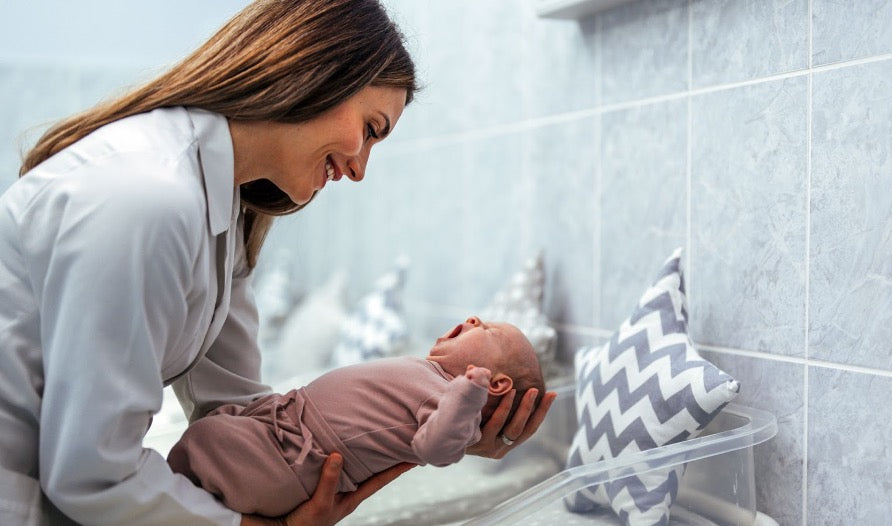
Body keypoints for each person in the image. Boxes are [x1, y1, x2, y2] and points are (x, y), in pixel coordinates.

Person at [0, 0, 557, 524]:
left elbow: (235, 405)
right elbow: (92, 475)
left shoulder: (221, 207)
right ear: (317, 72)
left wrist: (441, 434)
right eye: (370, 129)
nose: (360, 168)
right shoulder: (148, 197)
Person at [167, 316, 546, 517]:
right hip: (278, 428)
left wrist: (467, 397)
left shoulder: (449, 397)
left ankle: (173, 493)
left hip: (293, 457)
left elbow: (437, 449)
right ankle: (176, 496)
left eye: (490, 332)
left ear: (494, 384)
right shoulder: (429, 374)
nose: (475, 319)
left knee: (207, 443)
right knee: (213, 433)